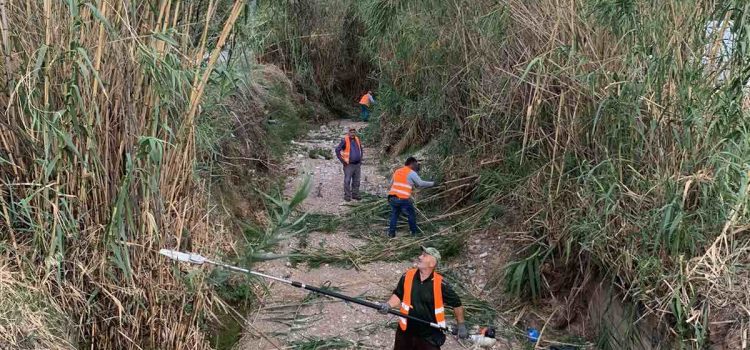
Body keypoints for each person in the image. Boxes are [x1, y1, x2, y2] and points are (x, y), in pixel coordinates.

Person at [378, 246, 468, 349]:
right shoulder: (407, 276)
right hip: (405, 332)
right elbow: (398, 295)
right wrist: (388, 305)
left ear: (432, 263)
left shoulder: (441, 284)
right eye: (421, 254)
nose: (420, 257)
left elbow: (457, 304)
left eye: (424, 256)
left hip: (429, 336)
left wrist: (461, 324)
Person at [387, 157, 434, 237]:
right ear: (411, 164)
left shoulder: (397, 171)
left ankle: (391, 233)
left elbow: (391, 185)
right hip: (402, 198)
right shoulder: (411, 173)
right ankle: (414, 232)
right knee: (411, 214)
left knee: (395, 214)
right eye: (416, 164)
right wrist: (433, 183)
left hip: (392, 197)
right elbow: (421, 183)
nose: (417, 166)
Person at [335, 127, 363, 202]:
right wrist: (342, 160)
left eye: (354, 132)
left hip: (357, 164)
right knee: (347, 180)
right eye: (351, 132)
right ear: (348, 132)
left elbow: (361, 149)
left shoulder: (357, 139)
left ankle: (355, 194)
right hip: (348, 164)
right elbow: (337, 150)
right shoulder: (344, 140)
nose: (352, 133)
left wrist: (360, 159)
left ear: (355, 132)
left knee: (357, 181)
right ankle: (347, 196)